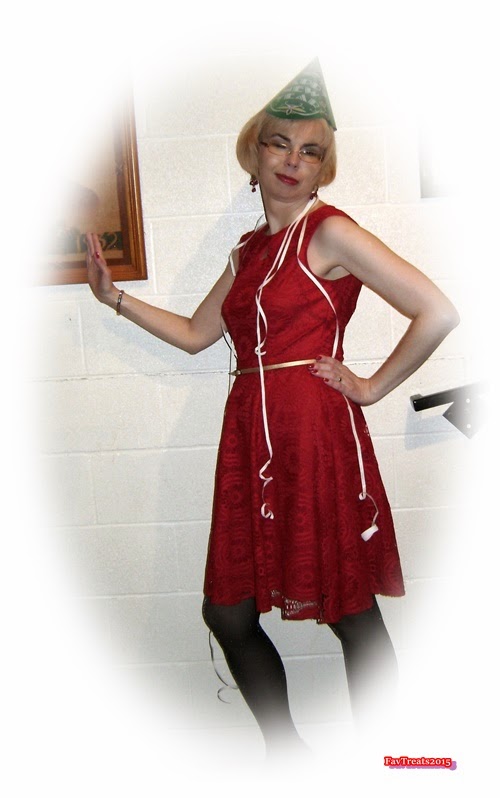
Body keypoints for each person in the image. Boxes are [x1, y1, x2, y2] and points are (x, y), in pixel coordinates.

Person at [86, 60, 459, 758]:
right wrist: (116, 300)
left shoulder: (330, 232)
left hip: (314, 431)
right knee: (227, 613)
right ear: (254, 154)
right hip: (250, 439)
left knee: (349, 609)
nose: (292, 160)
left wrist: (370, 386)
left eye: (310, 151)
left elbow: (436, 311)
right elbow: (196, 335)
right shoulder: (246, 252)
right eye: (279, 144)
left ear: (323, 169)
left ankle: (393, 759)